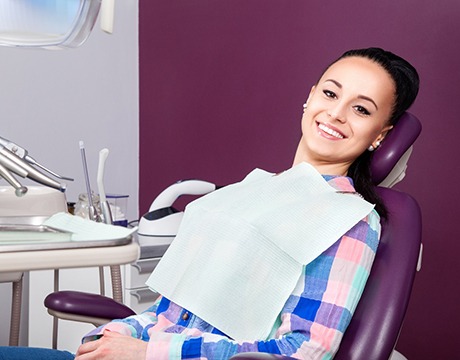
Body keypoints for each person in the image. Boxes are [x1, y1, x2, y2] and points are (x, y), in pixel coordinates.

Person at [0, 47, 419, 360]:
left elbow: (304, 350)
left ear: (380, 135)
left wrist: (148, 354)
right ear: (310, 97)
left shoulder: (346, 220)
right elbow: (171, 316)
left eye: (361, 109)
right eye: (331, 93)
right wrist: (112, 337)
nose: (337, 113)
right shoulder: (250, 193)